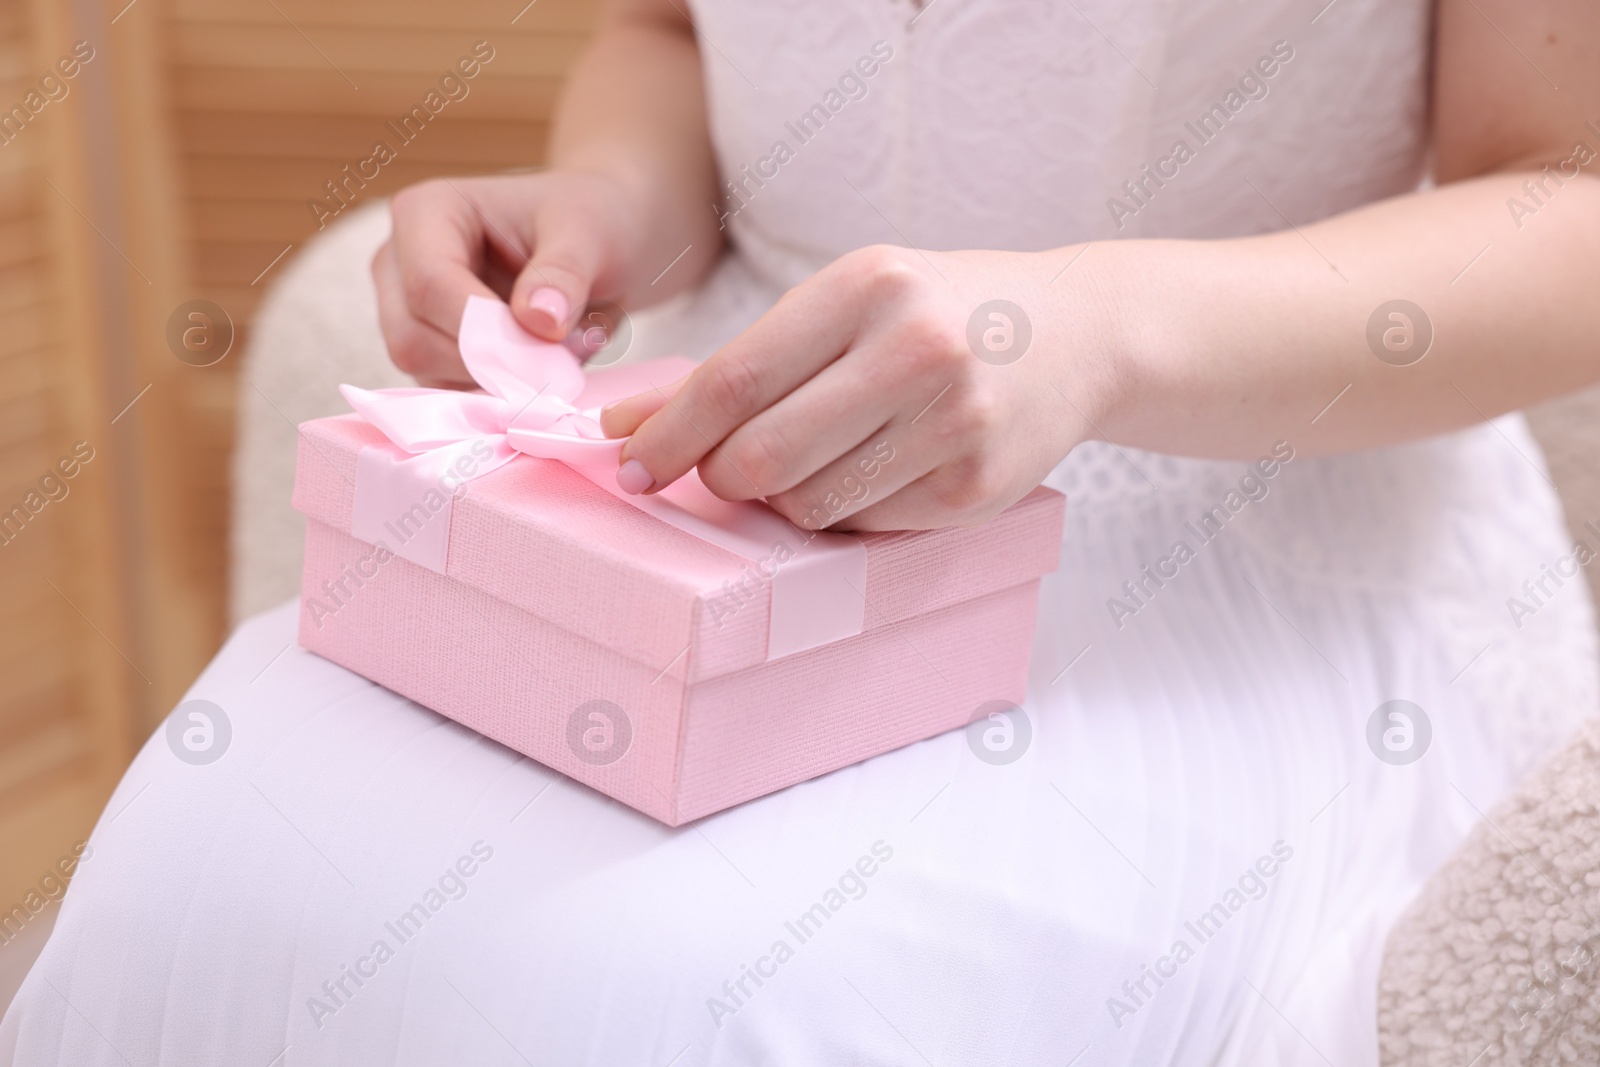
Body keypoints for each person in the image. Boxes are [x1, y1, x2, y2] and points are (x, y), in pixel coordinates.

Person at [6, 0, 1598, 1064]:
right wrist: (612, 203)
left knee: (676, 993)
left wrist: (1103, 331)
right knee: (199, 865)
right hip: (716, 466)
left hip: (1235, 518)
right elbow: (667, 28)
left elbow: (1574, 191)